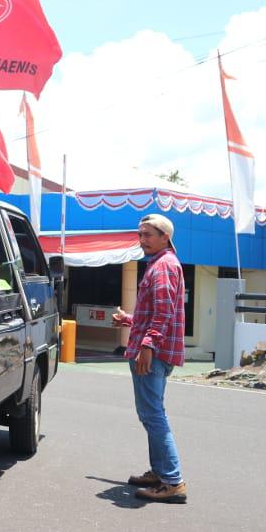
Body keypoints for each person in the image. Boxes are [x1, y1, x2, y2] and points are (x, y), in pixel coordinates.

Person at [111, 214, 187, 504]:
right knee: (151, 414)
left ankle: (172, 480)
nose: (142, 240)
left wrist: (148, 345)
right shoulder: (160, 264)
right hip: (153, 349)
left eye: (148, 235)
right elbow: (156, 311)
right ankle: (160, 472)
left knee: (153, 415)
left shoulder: (164, 266)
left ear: (165, 237)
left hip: (152, 354)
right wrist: (130, 320)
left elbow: (164, 313)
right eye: (140, 235)